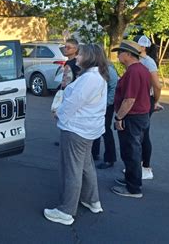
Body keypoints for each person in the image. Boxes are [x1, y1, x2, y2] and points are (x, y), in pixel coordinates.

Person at [44, 44, 108, 226]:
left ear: (90, 57)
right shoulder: (97, 76)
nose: (77, 57)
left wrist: (59, 113)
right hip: (87, 130)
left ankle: (66, 211)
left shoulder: (89, 79)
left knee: (71, 169)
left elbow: (74, 102)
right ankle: (92, 200)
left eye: (80, 55)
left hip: (76, 130)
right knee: (86, 166)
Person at [111, 40, 151, 198]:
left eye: (120, 52)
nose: (118, 55)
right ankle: (131, 179)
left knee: (131, 151)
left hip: (132, 117)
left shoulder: (134, 71)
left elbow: (129, 99)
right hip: (140, 116)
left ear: (128, 54)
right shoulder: (141, 69)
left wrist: (119, 117)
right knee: (133, 150)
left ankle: (133, 188)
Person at [133, 35, 163, 180]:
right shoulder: (137, 60)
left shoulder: (148, 62)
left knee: (143, 134)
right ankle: (136, 164)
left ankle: (146, 167)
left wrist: (155, 101)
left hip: (146, 99)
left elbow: (157, 85)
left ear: (143, 47)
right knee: (136, 134)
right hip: (138, 99)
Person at [54, 38, 80, 147]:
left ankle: (69, 141)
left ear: (75, 49)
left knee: (67, 117)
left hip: (71, 93)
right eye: (65, 46)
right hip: (66, 91)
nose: (65, 49)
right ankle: (64, 139)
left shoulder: (76, 63)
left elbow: (75, 79)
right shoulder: (68, 62)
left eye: (68, 47)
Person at [92, 62, 119, 169]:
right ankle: (94, 153)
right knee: (96, 127)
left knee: (105, 130)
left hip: (106, 105)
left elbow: (113, 88)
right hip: (99, 104)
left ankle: (110, 158)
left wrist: (106, 104)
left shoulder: (109, 70)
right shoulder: (96, 68)